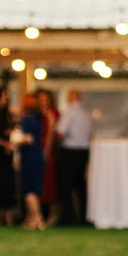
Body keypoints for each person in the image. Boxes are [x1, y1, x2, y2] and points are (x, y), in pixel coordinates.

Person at [56, 89, 93, 225]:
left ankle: (69, 217)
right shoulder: (86, 114)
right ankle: (83, 216)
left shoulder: (69, 112)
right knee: (80, 185)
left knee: (66, 185)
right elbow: (90, 134)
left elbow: (61, 132)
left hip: (70, 151)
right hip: (84, 151)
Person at [18, 94, 46, 230]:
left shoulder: (27, 120)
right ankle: (31, 219)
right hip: (37, 156)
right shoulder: (37, 119)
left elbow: (28, 139)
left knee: (29, 189)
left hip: (29, 157)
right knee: (34, 188)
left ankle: (37, 217)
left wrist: (15, 139)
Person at [36, 89, 60, 224]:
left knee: (50, 182)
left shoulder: (51, 114)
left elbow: (51, 134)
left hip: (47, 151)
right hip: (38, 149)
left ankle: (52, 215)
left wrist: (46, 150)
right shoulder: (37, 115)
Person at [0, 86, 17, 225]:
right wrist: (4, 143)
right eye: (2, 97)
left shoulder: (6, 114)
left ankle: (8, 217)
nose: (4, 100)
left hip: (6, 155)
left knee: (8, 184)